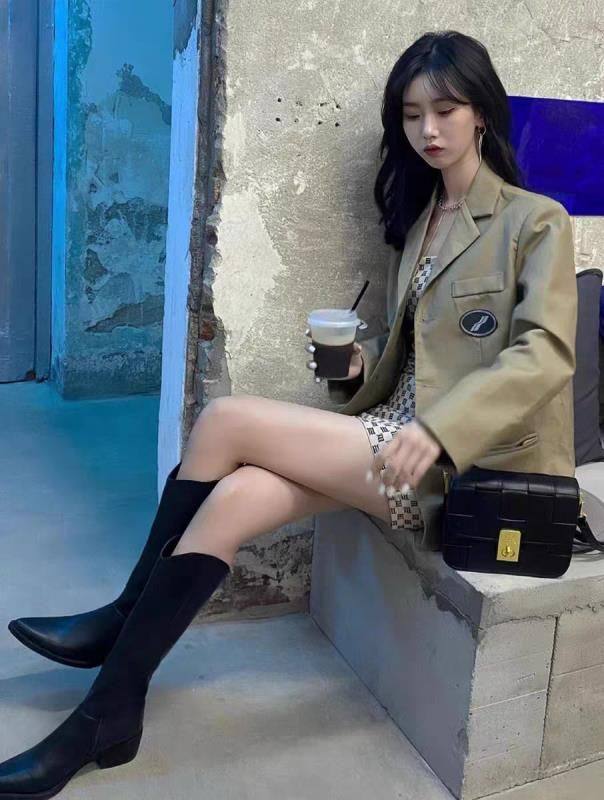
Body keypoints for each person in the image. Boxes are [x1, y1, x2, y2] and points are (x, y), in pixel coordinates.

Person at [0, 29, 577, 798]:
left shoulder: (535, 221)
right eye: (411, 115)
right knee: (234, 499)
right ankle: (108, 715)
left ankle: (119, 618)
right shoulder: (423, 222)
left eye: (446, 110)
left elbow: (545, 353)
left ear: (481, 113)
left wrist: (441, 431)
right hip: (387, 437)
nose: (428, 130)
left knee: (225, 422)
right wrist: (353, 367)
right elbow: (418, 361)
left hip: (454, 468)